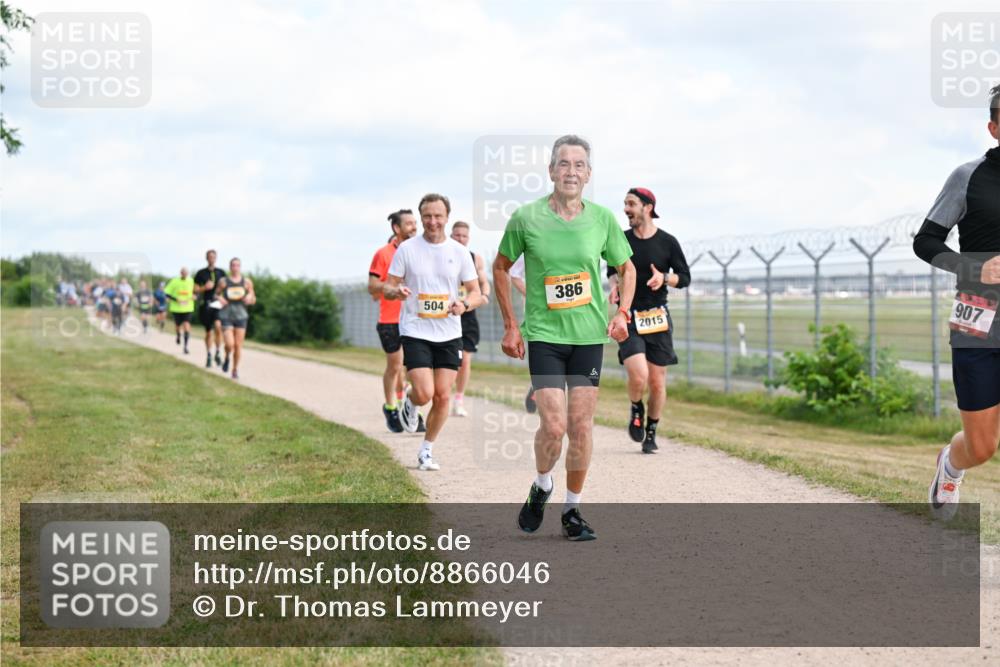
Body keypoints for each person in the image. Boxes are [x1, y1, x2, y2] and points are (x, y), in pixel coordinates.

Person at [493, 135, 635, 541]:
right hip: (544, 336)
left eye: (579, 165)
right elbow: (500, 268)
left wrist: (622, 312)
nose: (571, 171)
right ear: (551, 171)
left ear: (588, 174)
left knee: (581, 426)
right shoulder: (526, 218)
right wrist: (511, 324)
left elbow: (627, 269)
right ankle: (542, 485)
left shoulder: (602, 219)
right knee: (554, 427)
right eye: (564, 164)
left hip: (588, 337)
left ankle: (572, 510)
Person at [914, 83, 1000, 520]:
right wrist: (973, 268)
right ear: (993, 127)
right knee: (982, 447)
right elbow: (925, 241)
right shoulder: (968, 177)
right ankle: (951, 464)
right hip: (978, 321)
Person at [383, 193, 484, 471]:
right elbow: (388, 286)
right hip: (415, 329)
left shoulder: (459, 252)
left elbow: (476, 293)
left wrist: (464, 304)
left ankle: (426, 450)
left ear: (447, 217)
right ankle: (410, 401)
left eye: (438, 216)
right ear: (421, 217)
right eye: (427, 216)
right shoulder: (407, 249)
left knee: (442, 396)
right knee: (425, 393)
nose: (432, 221)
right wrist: (397, 291)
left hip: (449, 332)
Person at [608, 188, 691, 454]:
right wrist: (615, 286)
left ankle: (651, 431)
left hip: (657, 318)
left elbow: (684, 277)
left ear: (647, 207)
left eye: (631, 204)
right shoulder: (622, 240)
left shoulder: (668, 242)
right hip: (629, 316)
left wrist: (664, 278)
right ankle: (636, 407)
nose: (626, 209)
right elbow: (612, 270)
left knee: (656, 382)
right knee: (639, 375)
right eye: (624, 204)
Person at [369, 210, 418, 433]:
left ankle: (408, 407)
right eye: (409, 224)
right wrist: (392, 287)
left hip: (415, 318)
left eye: (415, 223)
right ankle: (391, 407)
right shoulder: (383, 254)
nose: (414, 227)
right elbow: (372, 286)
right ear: (397, 228)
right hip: (390, 320)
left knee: (414, 368)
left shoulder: (419, 252)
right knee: (396, 366)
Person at [449, 220, 492, 417]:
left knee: (465, 361)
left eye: (464, 236)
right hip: (446, 315)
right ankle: (440, 396)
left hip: (467, 316)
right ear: (451, 235)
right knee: (447, 362)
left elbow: (484, 282)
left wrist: (485, 295)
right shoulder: (443, 254)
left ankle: (458, 400)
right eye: (457, 235)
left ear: (468, 238)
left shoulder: (475, 258)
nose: (460, 239)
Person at [215, 257, 256, 380]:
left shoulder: (246, 282)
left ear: (240, 267)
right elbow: (215, 294)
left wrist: (250, 299)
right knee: (230, 344)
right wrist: (219, 298)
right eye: (233, 265)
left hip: (241, 316)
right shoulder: (223, 281)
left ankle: (235, 369)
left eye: (237, 265)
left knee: (238, 345)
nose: (235, 267)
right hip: (226, 315)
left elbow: (253, 298)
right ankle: (227, 356)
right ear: (230, 267)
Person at [509, 256, 537, 413]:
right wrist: (533, 295)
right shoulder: (531, 245)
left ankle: (542, 386)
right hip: (539, 313)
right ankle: (539, 385)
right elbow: (514, 274)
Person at [195, 250, 227, 369]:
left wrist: (224, 298)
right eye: (209, 257)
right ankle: (209, 355)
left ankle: (217, 352)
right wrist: (204, 287)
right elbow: (195, 290)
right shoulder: (201, 273)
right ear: (206, 258)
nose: (211, 258)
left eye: (213, 257)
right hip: (206, 304)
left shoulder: (221, 272)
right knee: (209, 332)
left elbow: (226, 288)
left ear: (216, 258)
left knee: (218, 327)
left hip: (217, 303)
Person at [164, 267, 195, 354]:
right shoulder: (174, 281)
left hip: (188, 308)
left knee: (186, 326)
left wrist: (195, 295)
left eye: (186, 273)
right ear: (180, 273)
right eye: (183, 273)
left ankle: (185, 346)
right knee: (178, 326)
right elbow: (166, 293)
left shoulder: (191, 281)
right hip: (176, 308)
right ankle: (178, 335)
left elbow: (196, 291)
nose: (185, 274)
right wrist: (176, 299)